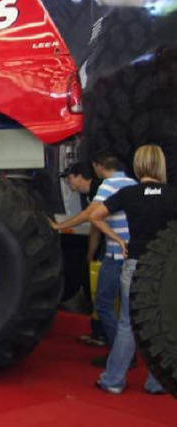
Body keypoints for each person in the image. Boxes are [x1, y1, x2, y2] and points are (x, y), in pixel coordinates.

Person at [90, 144, 171, 395]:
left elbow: (95, 216)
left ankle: (114, 381)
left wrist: (117, 239)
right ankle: (157, 382)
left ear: (138, 165)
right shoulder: (173, 195)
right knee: (161, 325)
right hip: (164, 268)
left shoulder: (129, 194)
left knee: (127, 324)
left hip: (135, 263)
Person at [53, 152, 136, 363]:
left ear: (99, 167)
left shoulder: (109, 185)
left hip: (116, 255)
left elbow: (90, 214)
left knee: (103, 304)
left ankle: (120, 353)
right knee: (127, 309)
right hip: (131, 252)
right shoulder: (132, 183)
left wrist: (59, 226)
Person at [58, 162, 106, 346]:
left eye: (70, 178)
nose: (69, 183)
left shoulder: (99, 190)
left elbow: (89, 215)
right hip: (105, 243)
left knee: (102, 292)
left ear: (80, 176)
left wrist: (59, 226)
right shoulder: (92, 193)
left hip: (113, 245)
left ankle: (103, 335)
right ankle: (98, 333)